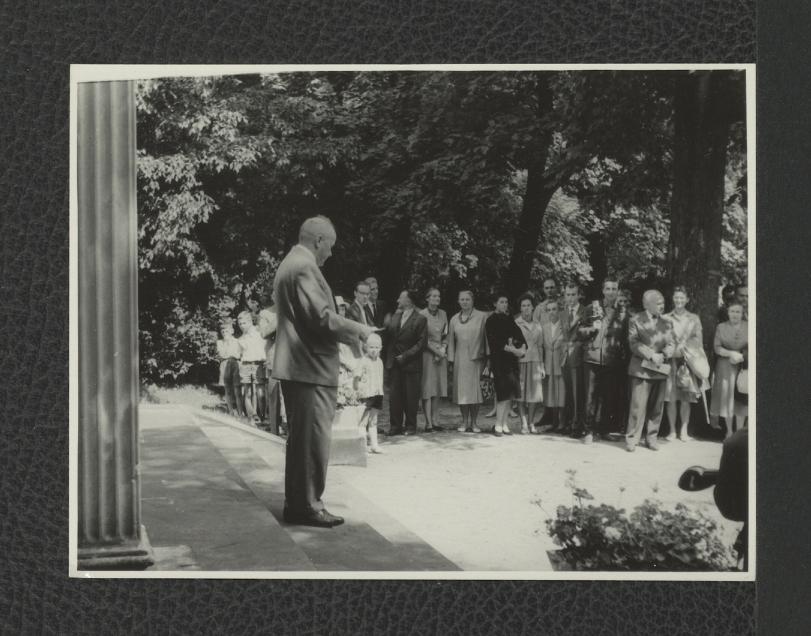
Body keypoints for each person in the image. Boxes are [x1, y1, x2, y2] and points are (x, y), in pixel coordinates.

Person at [272, 216, 376, 528]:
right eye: (329, 246)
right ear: (318, 241)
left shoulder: (291, 263)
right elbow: (321, 318)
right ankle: (307, 506)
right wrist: (361, 329)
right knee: (313, 442)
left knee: (302, 442)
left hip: (302, 367)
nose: (330, 253)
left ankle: (300, 504)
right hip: (309, 368)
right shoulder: (303, 267)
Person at [625, 290, 675, 452]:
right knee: (637, 407)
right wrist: (651, 354)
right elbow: (633, 343)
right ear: (647, 304)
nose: (662, 306)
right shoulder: (635, 320)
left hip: (661, 368)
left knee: (656, 407)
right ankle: (632, 439)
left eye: (663, 303)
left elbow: (671, 343)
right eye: (658, 303)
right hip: (641, 370)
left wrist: (666, 353)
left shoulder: (667, 322)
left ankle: (651, 438)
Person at [580, 278, 627, 444]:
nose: (611, 292)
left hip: (611, 359)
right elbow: (580, 331)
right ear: (603, 291)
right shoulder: (592, 308)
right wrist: (593, 329)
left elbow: (625, 337)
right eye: (608, 289)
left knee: (608, 396)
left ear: (618, 291)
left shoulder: (623, 312)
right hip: (592, 357)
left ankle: (604, 429)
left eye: (614, 289)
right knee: (590, 397)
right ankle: (588, 431)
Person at [663, 286, 705, 442]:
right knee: (671, 397)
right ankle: (672, 431)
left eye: (682, 298)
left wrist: (685, 348)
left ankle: (684, 431)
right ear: (673, 299)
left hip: (687, 362)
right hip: (671, 362)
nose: (679, 300)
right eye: (676, 298)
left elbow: (698, 340)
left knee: (686, 397)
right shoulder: (666, 317)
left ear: (687, 299)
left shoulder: (694, 318)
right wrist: (672, 348)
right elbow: (662, 339)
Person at [385, 289, 428, 436]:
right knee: (394, 397)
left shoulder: (420, 319)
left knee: (411, 396)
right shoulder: (395, 317)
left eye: (400, 298)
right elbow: (389, 337)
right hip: (394, 363)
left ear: (408, 300)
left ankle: (410, 426)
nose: (398, 301)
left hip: (411, 363)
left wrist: (405, 356)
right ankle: (395, 426)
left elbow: (421, 344)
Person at [485, 295, 527, 437]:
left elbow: (519, 335)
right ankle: (497, 425)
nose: (504, 304)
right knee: (502, 393)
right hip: (499, 360)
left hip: (511, 361)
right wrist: (514, 350)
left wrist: (522, 348)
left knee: (510, 393)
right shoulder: (490, 321)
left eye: (506, 301)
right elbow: (494, 342)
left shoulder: (509, 319)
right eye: (501, 302)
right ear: (495, 303)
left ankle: (504, 424)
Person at [447, 289, 488, 433]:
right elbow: (450, 341)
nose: (465, 302)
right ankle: (464, 422)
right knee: (462, 391)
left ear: (473, 301)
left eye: (467, 299)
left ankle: (475, 423)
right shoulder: (453, 319)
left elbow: (487, 338)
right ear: (458, 301)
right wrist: (451, 360)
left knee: (474, 392)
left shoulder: (482, 316)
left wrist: (488, 358)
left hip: (477, 358)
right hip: (460, 358)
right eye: (462, 299)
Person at [709, 302, 748, 439]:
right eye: (732, 311)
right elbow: (717, 347)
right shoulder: (721, 327)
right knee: (728, 397)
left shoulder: (749, 326)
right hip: (725, 366)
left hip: (743, 366)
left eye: (738, 312)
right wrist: (730, 354)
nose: (735, 314)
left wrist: (742, 356)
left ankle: (740, 432)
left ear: (742, 313)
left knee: (742, 396)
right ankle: (729, 431)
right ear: (728, 312)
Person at [515, 293, 545, 434]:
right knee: (520, 393)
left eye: (528, 305)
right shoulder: (516, 323)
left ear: (533, 307)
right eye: (523, 306)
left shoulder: (538, 324)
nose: (526, 308)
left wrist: (542, 365)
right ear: (520, 308)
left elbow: (540, 346)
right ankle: (524, 423)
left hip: (535, 361)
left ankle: (532, 422)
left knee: (533, 394)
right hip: (520, 361)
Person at [420, 287, 448, 432]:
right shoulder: (421, 315)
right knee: (428, 387)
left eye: (438, 296)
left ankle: (436, 420)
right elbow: (422, 339)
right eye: (434, 296)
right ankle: (428, 422)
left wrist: (442, 349)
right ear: (427, 298)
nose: (437, 299)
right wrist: (436, 351)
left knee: (438, 387)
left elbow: (445, 334)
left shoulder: (443, 314)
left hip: (441, 355)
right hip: (428, 354)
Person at [561, 282, 588, 437]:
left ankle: (577, 426)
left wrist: (576, 346)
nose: (570, 298)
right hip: (565, 357)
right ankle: (569, 422)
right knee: (569, 392)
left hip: (578, 356)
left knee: (578, 392)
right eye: (567, 294)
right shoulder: (563, 312)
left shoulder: (585, 311)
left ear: (578, 295)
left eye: (573, 294)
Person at [237, 310, 268, 424]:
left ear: (250, 321)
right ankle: (252, 416)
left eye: (244, 323)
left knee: (260, 393)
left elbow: (265, 345)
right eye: (239, 324)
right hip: (245, 365)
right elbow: (240, 353)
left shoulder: (259, 331)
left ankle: (262, 417)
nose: (241, 326)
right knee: (247, 392)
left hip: (258, 364)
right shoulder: (241, 338)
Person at [539, 299, 566, 431]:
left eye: (554, 309)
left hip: (561, 364)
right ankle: (554, 422)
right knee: (551, 394)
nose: (551, 312)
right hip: (549, 364)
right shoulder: (543, 327)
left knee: (561, 394)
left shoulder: (564, 325)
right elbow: (541, 348)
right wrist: (542, 365)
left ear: (559, 310)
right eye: (549, 310)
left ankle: (562, 422)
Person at [258, 307, 285, 434]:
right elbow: (263, 333)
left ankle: (290, 428)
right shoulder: (265, 313)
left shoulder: (295, 307)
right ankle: (274, 429)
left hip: (293, 358)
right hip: (274, 358)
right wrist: (281, 316)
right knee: (274, 395)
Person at [357, 333, 385, 454]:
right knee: (363, 422)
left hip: (378, 393)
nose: (374, 350)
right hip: (366, 394)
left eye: (376, 347)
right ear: (366, 347)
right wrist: (358, 390)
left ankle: (374, 445)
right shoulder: (363, 361)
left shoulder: (380, 361)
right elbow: (356, 377)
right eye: (371, 347)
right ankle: (362, 448)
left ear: (380, 348)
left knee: (373, 421)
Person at [216, 320, 243, 417]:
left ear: (232, 331)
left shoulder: (237, 341)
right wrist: (230, 352)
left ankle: (240, 412)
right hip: (224, 365)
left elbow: (238, 355)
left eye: (226, 331)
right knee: (227, 389)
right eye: (222, 332)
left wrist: (230, 354)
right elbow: (222, 354)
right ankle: (231, 411)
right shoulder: (219, 342)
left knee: (237, 389)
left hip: (235, 365)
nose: (224, 333)